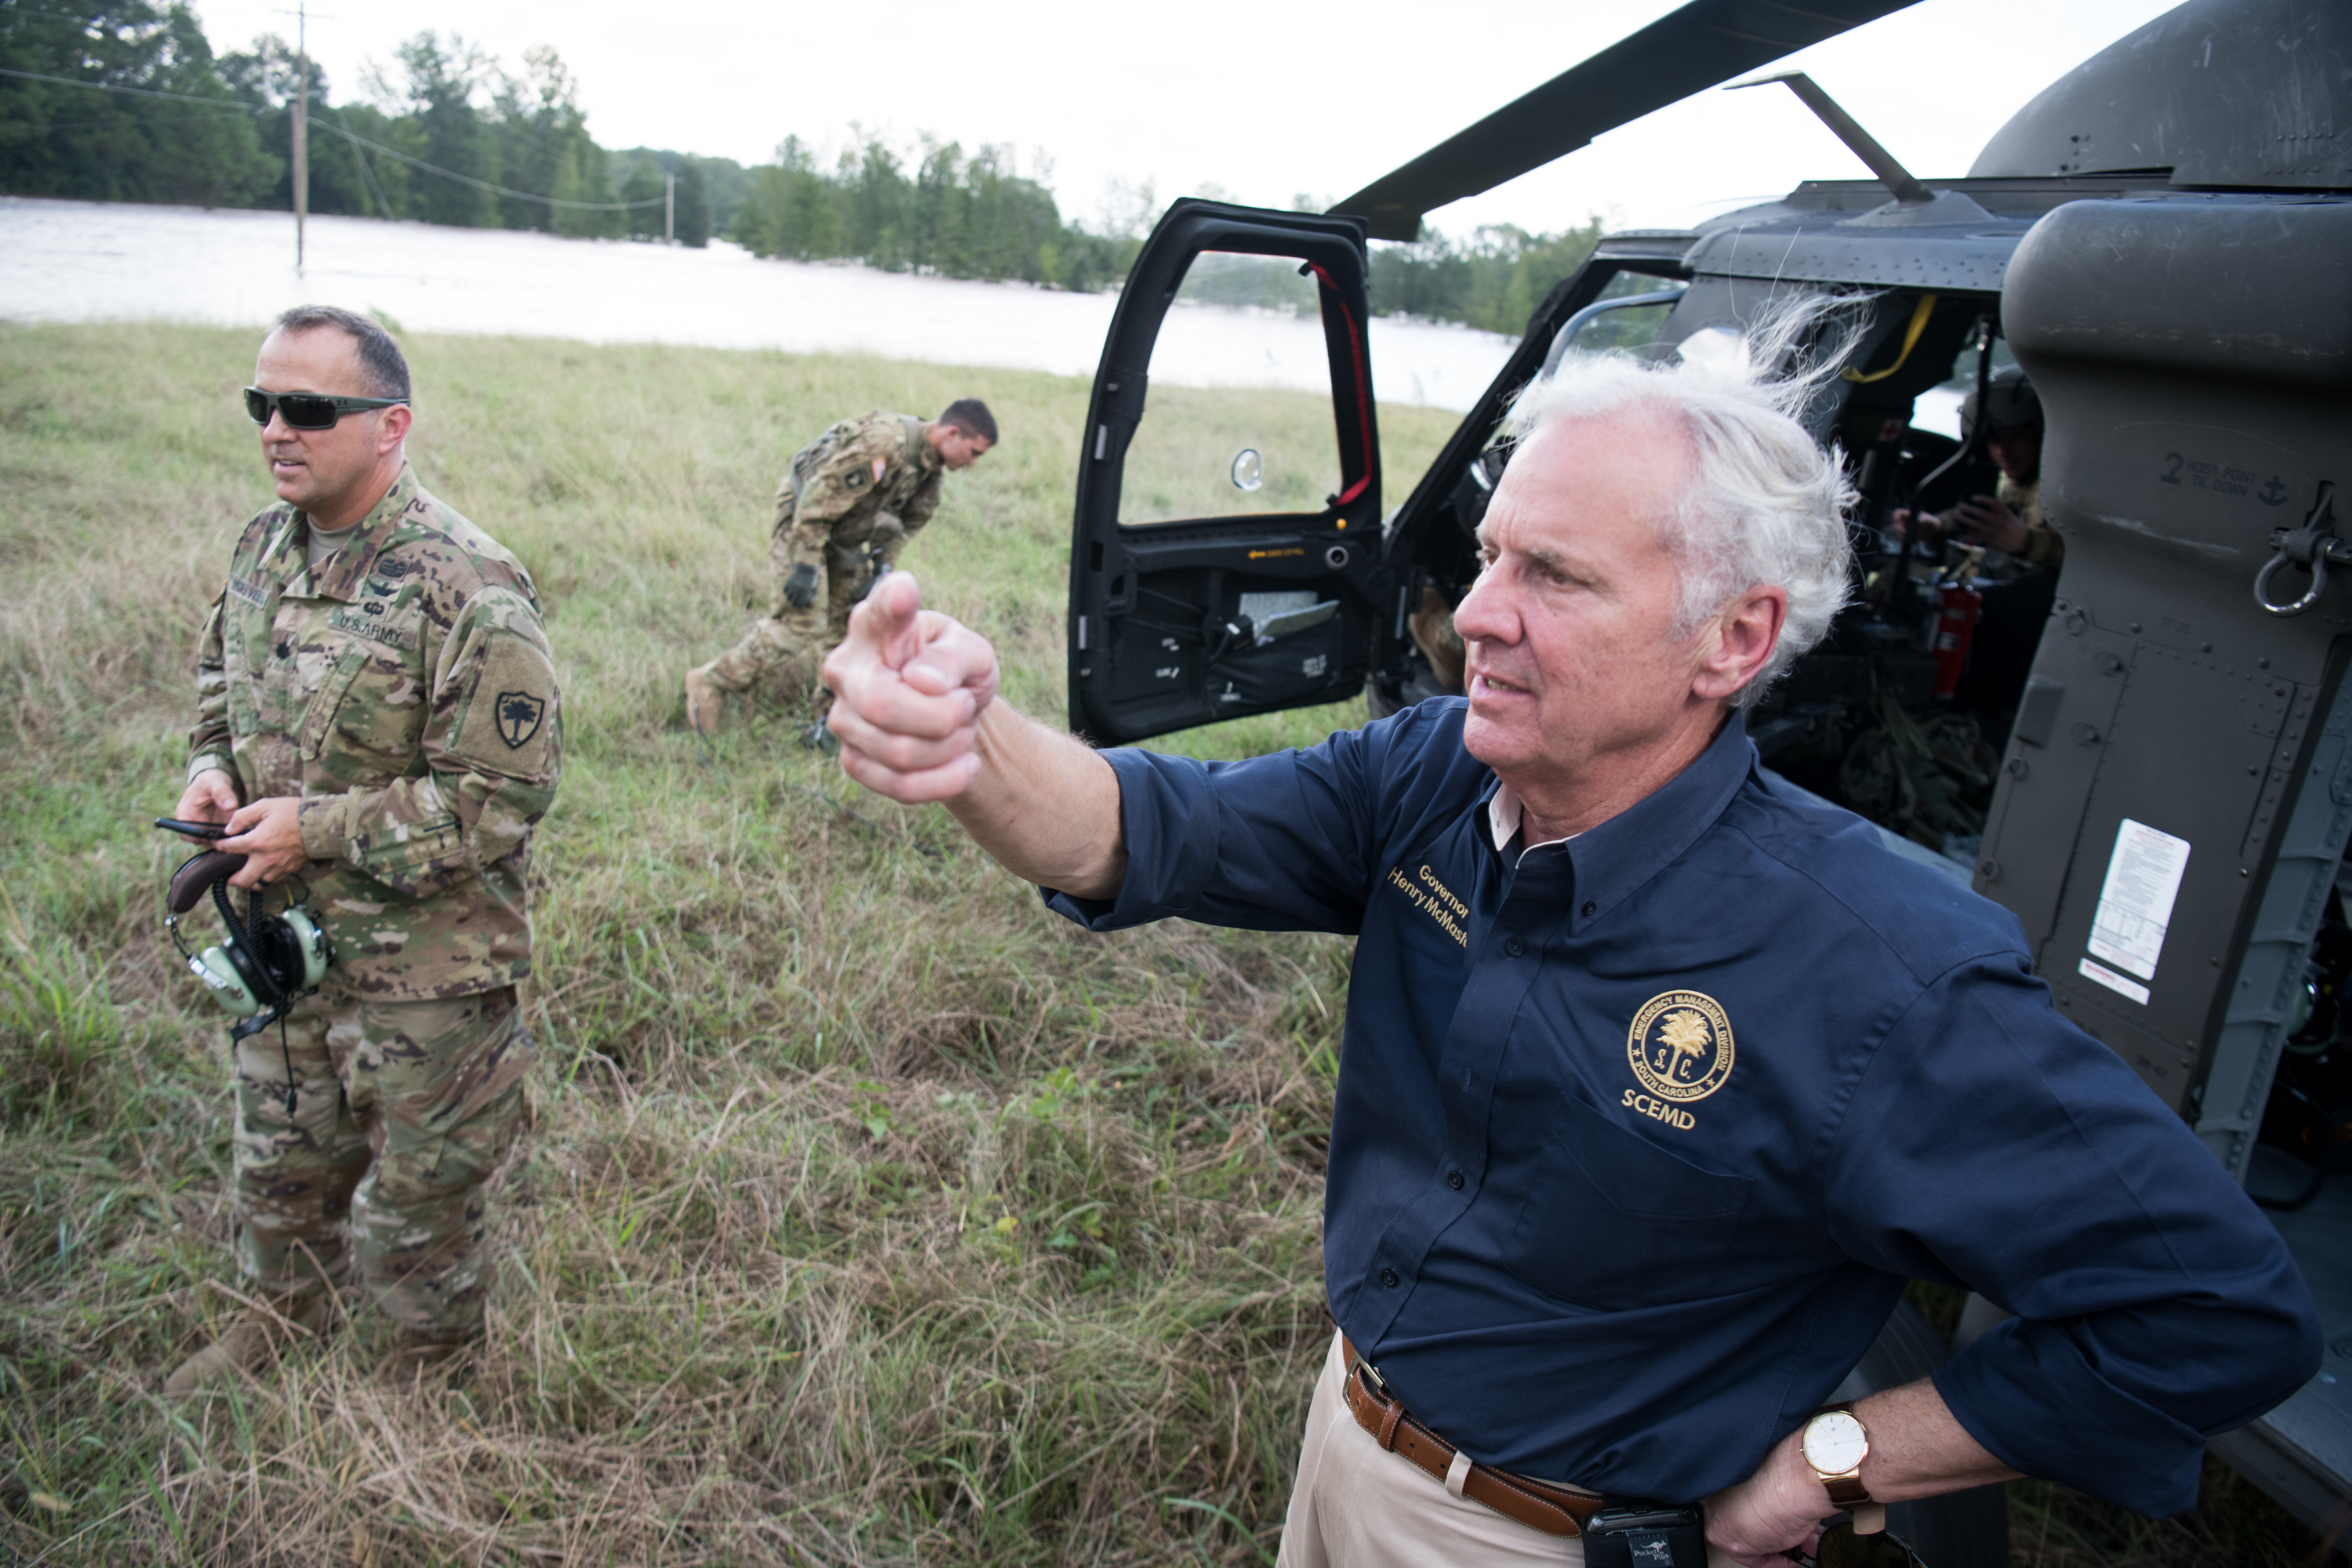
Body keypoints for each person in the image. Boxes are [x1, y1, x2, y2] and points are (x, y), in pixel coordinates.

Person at [815, 329, 2320, 1565]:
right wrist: (970, 737)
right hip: (1347, 1445)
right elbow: (1142, 831)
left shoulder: (1880, 972)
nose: (1476, 615)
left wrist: (1829, 1465)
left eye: (1557, 577)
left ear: (1732, 640)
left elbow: (2211, 1311)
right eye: (1490, 557)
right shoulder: (1435, 778)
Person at [165, 306, 561, 1394]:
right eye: (262, 405)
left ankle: (417, 1394)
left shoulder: (468, 586)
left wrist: (314, 829)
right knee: (281, 1165)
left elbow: (502, 798)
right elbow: (219, 686)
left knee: (421, 1202)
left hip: (423, 977)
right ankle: (275, 1323)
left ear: (389, 427)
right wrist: (213, 772)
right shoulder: (261, 546)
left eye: (307, 409)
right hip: (284, 952)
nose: (275, 431)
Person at [684, 399, 996, 741]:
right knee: (801, 624)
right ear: (952, 432)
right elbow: (817, 501)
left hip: (848, 538)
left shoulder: (931, 476)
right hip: (806, 527)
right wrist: (804, 565)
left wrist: (881, 569)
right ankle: (711, 682)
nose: (974, 463)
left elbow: (904, 528)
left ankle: (829, 723)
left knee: (851, 628)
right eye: (974, 452)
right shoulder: (885, 444)